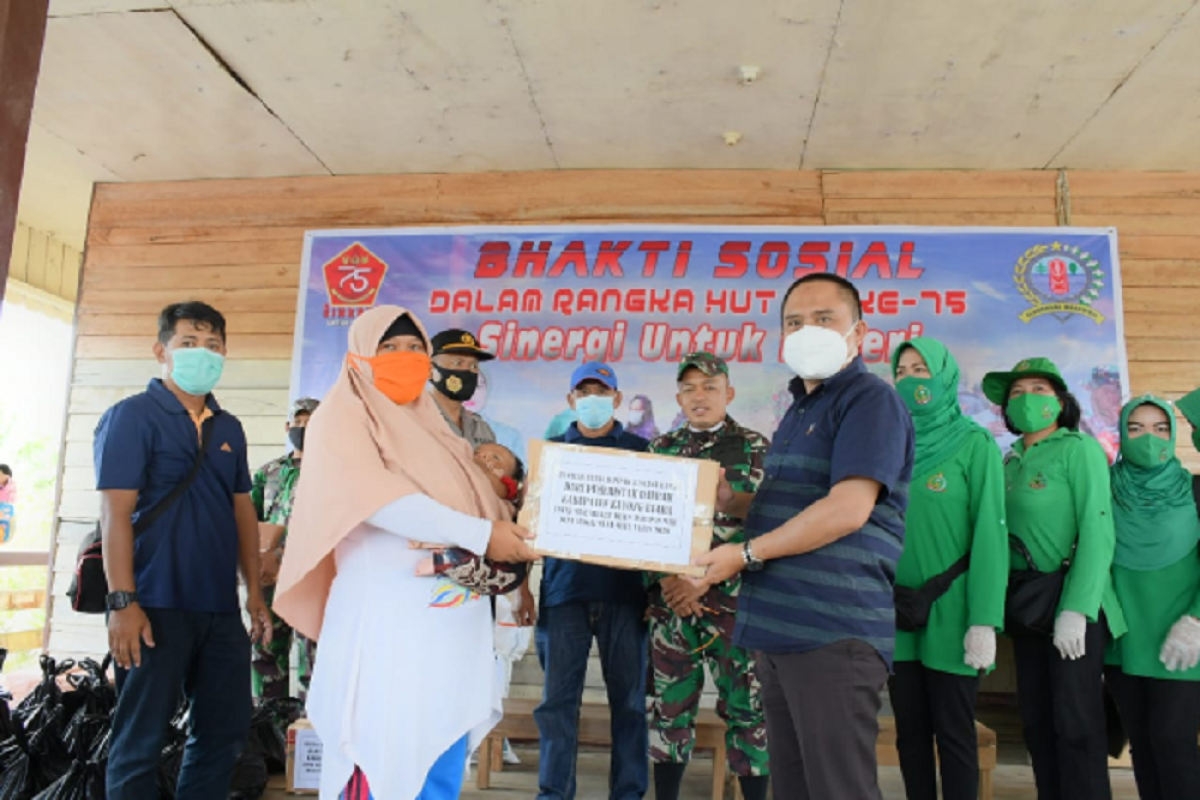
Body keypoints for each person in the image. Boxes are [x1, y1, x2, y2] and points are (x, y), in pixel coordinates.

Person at [272, 306, 537, 800]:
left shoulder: (436, 432)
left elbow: (486, 502)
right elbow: (375, 499)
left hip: (451, 632)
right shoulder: (340, 416)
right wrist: (482, 535)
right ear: (359, 357)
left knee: (437, 753)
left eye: (415, 349)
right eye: (388, 348)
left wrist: (512, 538)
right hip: (388, 634)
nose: (404, 358)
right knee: (382, 755)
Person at [693, 274, 914, 800]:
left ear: (858, 333)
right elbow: (799, 503)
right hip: (781, 630)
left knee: (839, 789)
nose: (807, 331)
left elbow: (847, 509)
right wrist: (734, 505)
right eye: (794, 322)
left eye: (824, 319)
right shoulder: (800, 408)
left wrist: (743, 553)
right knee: (794, 786)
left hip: (832, 630)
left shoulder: (868, 400)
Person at [94, 301, 271, 799]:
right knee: (140, 740)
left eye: (213, 346)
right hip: (151, 604)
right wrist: (122, 603)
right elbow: (115, 514)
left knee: (223, 732)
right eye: (188, 343)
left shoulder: (228, 427)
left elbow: (243, 513)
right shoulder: (131, 417)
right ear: (161, 351)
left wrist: (253, 595)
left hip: (217, 609)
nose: (202, 354)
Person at [981, 357, 1126, 800]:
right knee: (1038, 724)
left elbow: (1098, 530)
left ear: (1060, 401)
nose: (1028, 399)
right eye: (1018, 392)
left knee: (1076, 725)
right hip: (1029, 608)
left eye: (1039, 390)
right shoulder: (1008, 461)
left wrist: (1077, 609)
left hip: (1073, 608)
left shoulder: (1077, 449)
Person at [644, 352, 770, 800]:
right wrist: (669, 582)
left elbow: (771, 525)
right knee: (669, 712)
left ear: (728, 394)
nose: (700, 396)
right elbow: (646, 526)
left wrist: (706, 579)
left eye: (710, 387)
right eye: (690, 388)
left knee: (748, 712)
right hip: (673, 606)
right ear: (678, 396)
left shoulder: (756, 448)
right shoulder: (660, 450)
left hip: (737, 605)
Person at [889, 338, 1008, 800]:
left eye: (923, 369)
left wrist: (984, 620)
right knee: (909, 731)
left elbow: (990, 536)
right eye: (903, 371)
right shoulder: (885, 442)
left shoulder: (974, 443)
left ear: (945, 377)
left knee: (955, 732)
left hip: (955, 609)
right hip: (895, 608)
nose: (912, 379)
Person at [536, 361, 650, 800]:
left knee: (630, 706)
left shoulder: (642, 452)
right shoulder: (551, 455)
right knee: (557, 707)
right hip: (563, 596)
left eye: (601, 391)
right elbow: (533, 527)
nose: (592, 399)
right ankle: (553, 794)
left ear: (617, 399)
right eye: (583, 392)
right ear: (571, 401)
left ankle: (629, 794)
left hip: (626, 596)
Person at [1104, 395, 1200, 799]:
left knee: (1172, 741)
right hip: (1123, 638)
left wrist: (1196, 619)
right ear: (1122, 434)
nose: (1149, 438)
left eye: (1160, 428)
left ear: (1174, 435)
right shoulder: (1104, 488)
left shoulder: (1194, 490)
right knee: (1142, 744)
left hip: (1181, 638)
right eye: (1136, 428)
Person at [250, 397, 319, 702]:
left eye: (311, 422)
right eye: (298, 422)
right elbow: (249, 521)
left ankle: (308, 735)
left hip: (312, 577)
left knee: (313, 658)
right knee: (266, 652)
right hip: (269, 580)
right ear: (287, 427)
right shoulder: (269, 473)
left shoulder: (333, 472)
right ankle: (270, 732)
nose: (303, 428)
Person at [429, 328, 497, 447]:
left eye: (473, 365)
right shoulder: (412, 419)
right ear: (430, 370)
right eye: (457, 363)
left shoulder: (481, 428)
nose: (467, 371)